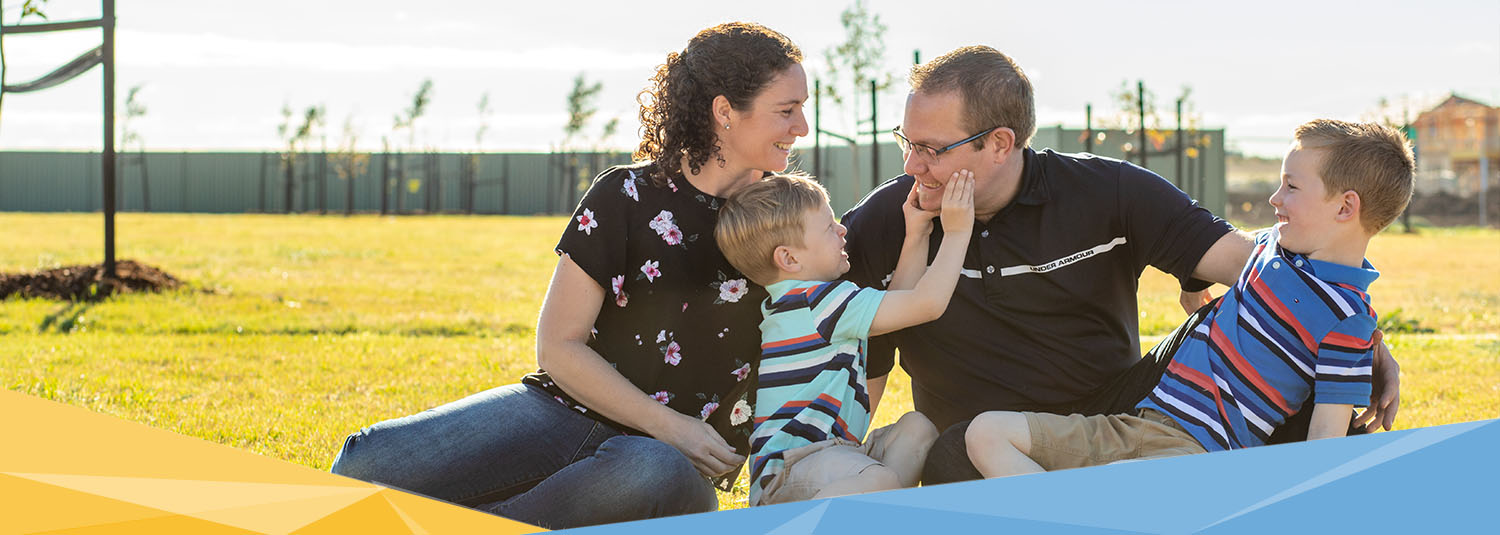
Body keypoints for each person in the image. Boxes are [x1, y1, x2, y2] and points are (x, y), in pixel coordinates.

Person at [836, 45, 1404, 485]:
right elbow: (856, 354)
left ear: (1000, 143)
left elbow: (1247, 260)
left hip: (1129, 410)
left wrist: (1359, 340)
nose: (913, 164)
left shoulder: (1109, 190)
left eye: (933, 148)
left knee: (1311, 400)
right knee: (952, 460)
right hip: (985, 436)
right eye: (906, 142)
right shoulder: (894, 218)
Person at [328, 22, 809, 529]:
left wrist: (907, 235)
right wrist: (671, 426)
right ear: (724, 112)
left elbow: (852, 305)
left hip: (657, 463)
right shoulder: (624, 196)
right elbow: (559, 346)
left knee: (655, 473)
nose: (801, 126)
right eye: (787, 110)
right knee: (363, 464)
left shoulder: (793, 218)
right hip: (563, 414)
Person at [964, 119, 1414, 477]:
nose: (1275, 197)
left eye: (1292, 187)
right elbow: (1205, 248)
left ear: (1345, 207)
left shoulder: (1349, 322)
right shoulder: (1272, 247)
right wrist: (1192, 283)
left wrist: (1371, 350)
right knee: (986, 434)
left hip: (1195, 455)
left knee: (1118, 482)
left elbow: (1325, 444)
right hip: (1131, 425)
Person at [714, 171, 973, 505]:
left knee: (917, 429)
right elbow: (927, 303)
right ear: (790, 258)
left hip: (834, 457)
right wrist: (957, 230)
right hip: (790, 473)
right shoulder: (820, 303)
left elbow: (901, 302)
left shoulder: (801, 302)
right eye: (828, 227)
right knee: (879, 479)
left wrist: (918, 232)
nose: (842, 229)